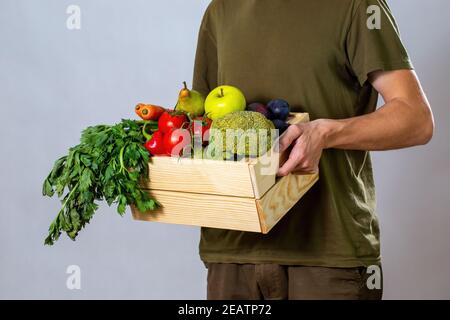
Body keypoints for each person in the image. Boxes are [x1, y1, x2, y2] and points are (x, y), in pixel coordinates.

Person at [192, 0, 434, 300]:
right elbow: (203, 125)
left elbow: (416, 119)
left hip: (328, 254)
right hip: (232, 255)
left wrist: (325, 132)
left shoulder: (358, 6)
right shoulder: (220, 10)